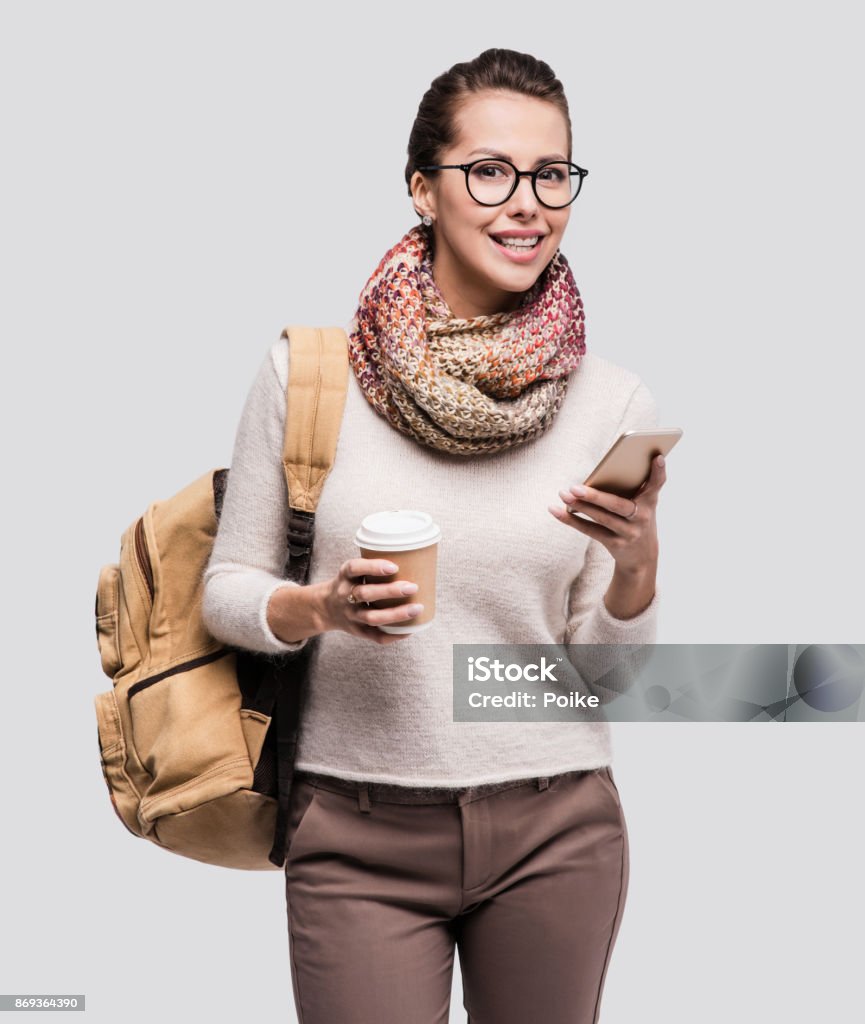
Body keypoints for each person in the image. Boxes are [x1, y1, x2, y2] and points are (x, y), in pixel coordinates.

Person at [202, 47, 667, 1024]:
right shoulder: (310, 377)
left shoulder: (609, 403)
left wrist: (635, 569)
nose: (526, 203)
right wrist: (315, 606)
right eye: (489, 171)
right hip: (356, 834)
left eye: (551, 174)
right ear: (422, 188)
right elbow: (227, 590)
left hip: (558, 828)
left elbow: (605, 680)